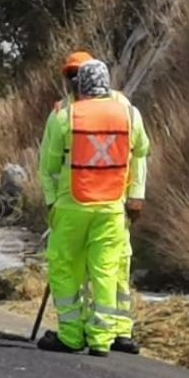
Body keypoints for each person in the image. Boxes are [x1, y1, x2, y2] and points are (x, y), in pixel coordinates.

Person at [37, 60, 149, 357]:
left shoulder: (66, 116)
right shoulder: (129, 113)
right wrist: (135, 195)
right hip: (112, 208)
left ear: (80, 86)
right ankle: (101, 339)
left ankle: (72, 336)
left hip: (72, 206)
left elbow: (48, 168)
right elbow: (142, 152)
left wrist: (51, 203)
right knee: (105, 271)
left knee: (64, 266)